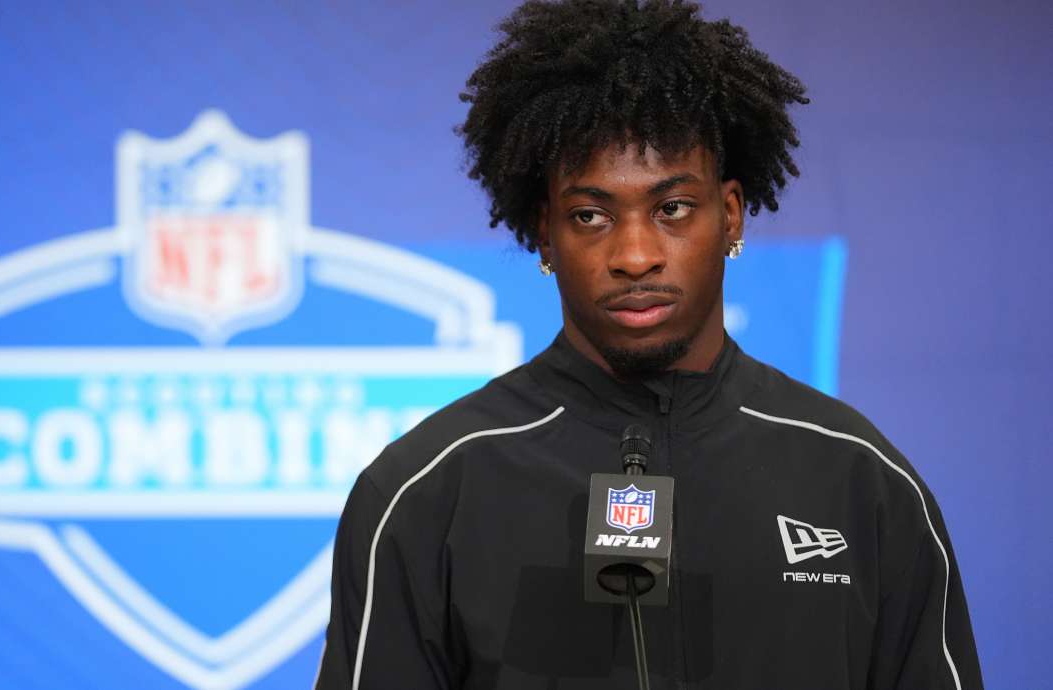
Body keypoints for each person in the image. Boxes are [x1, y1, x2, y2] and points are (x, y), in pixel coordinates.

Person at [314, 1, 983, 688]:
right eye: (590, 215)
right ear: (546, 233)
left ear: (729, 215)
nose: (635, 254)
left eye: (671, 209)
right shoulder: (427, 490)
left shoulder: (860, 481)